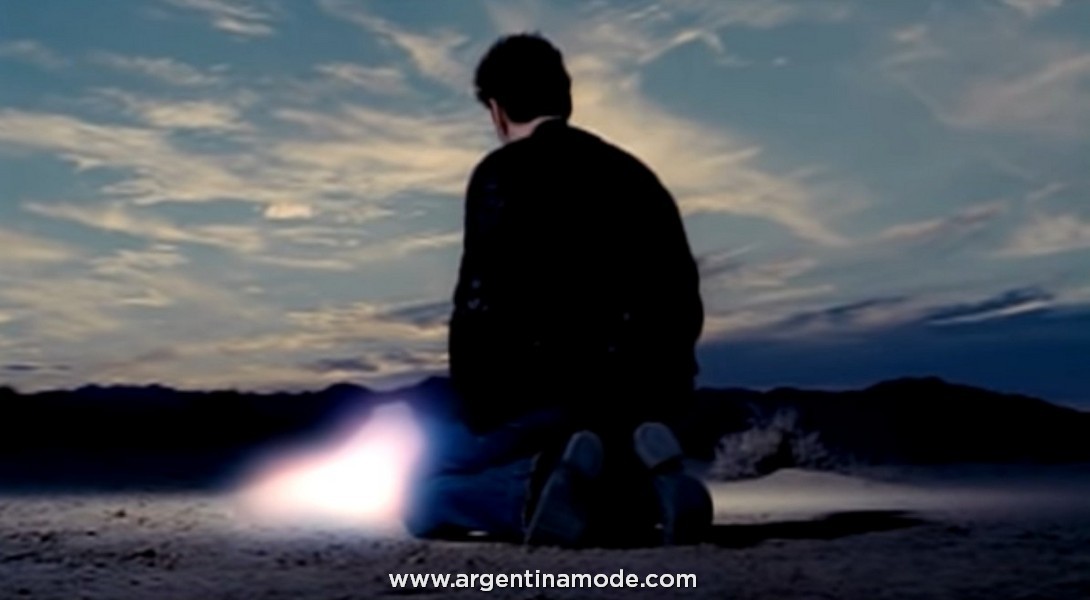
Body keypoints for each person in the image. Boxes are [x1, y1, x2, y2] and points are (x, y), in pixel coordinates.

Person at [402, 32, 710, 547]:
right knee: (594, 437)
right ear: (565, 97)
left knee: (423, 490)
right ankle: (645, 484)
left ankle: (541, 487)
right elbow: (683, 298)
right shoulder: (638, 176)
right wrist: (660, 385)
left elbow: (480, 301)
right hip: (648, 393)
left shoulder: (501, 174)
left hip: (547, 392)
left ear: (497, 110)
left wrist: (476, 404)